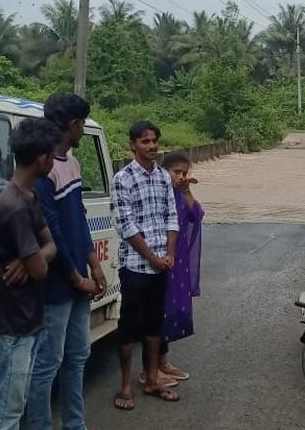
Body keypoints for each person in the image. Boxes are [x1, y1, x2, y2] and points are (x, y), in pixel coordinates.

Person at [27, 93, 108, 430]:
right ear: (74, 125)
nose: (82, 129)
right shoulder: (43, 174)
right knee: (47, 363)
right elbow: (54, 235)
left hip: (78, 280)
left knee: (78, 357)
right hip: (58, 284)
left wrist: (95, 264)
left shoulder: (71, 164)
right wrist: (77, 278)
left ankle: (75, 424)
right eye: (82, 123)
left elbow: (78, 218)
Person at [0, 118, 61, 430]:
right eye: (52, 157)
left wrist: (32, 258)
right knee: (7, 410)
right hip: (12, 322)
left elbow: (50, 245)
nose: (53, 162)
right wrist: (35, 260)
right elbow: (42, 268)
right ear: (42, 159)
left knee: (14, 403)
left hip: (26, 317)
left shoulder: (28, 196)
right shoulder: (14, 206)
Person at [111, 121, 181, 410]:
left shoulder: (164, 177)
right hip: (135, 265)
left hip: (161, 264)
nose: (151, 146)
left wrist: (170, 254)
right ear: (132, 145)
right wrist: (152, 258)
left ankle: (152, 378)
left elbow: (171, 216)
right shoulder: (122, 179)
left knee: (155, 322)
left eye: (154, 141)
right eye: (145, 141)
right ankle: (126, 385)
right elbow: (125, 224)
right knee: (129, 325)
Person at [150, 152, 204, 387]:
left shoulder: (181, 195)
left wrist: (186, 191)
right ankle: (150, 368)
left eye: (184, 173)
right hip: (159, 258)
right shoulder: (159, 194)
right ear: (164, 172)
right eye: (176, 172)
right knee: (157, 312)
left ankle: (162, 362)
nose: (181, 177)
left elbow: (197, 215)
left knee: (171, 311)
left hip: (178, 260)